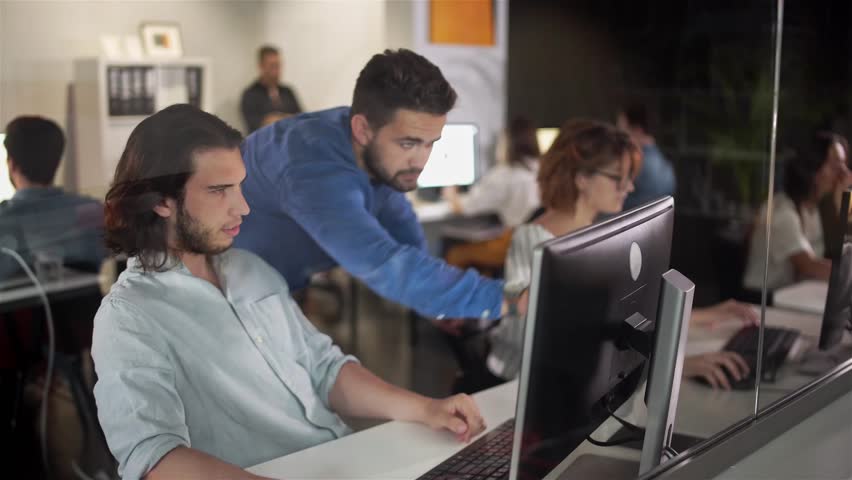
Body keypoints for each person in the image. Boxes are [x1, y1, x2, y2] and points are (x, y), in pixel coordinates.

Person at [92, 105, 486, 480]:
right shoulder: (129, 316)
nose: (243, 207)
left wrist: (426, 408)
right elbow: (154, 459)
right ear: (161, 200)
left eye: (240, 187)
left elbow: (324, 369)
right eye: (219, 190)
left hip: (338, 460)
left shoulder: (250, 269)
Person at [236, 49, 510, 324]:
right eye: (409, 143)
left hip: (277, 282)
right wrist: (505, 300)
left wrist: (438, 302)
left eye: (431, 144)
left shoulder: (373, 147)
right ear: (362, 130)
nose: (421, 161)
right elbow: (386, 266)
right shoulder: (313, 168)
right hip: (229, 293)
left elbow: (402, 229)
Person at [485, 119, 755, 390]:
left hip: (575, 386)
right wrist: (673, 366)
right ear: (582, 178)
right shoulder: (534, 241)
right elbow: (550, 343)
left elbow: (622, 317)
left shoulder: (600, 236)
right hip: (517, 389)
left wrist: (709, 315)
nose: (629, 188)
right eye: (618, 178)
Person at [0, 116, 105, 278]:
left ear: (11, 164)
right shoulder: (92, 211)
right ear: (57, 162)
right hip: (89, 302)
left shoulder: (5, 218)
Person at [744, 133, 851, 292]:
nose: (845, 173)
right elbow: (808, 266)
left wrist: (841, 206)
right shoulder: (782, 212)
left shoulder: (812, 209)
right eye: (835, 165)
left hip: (790, 295)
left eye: (844, 164)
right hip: (762, 300)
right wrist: (843, 206)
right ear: (813, 169)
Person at [440, 116, 541, 273]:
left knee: (454, 252)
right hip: (536, 243)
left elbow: (462, 208)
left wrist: (450, 193)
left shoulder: (504, 174)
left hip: (512, 244)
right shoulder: (542, 168)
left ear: (508, 144)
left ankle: (455, 295)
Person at [616, 103, 676, 210]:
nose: (618, 137)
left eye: (622, 130)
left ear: (637, 130)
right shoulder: (664, 165)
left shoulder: (637, 163)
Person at [240, 45, 303, 133]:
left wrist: (276, 118)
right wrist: (288, 118)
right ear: (261, 66)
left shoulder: (288, 91)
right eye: (272, 66)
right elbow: (256, 125)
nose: (276, 71)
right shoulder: (250, 95)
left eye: (278, 66)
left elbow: (302, 119)